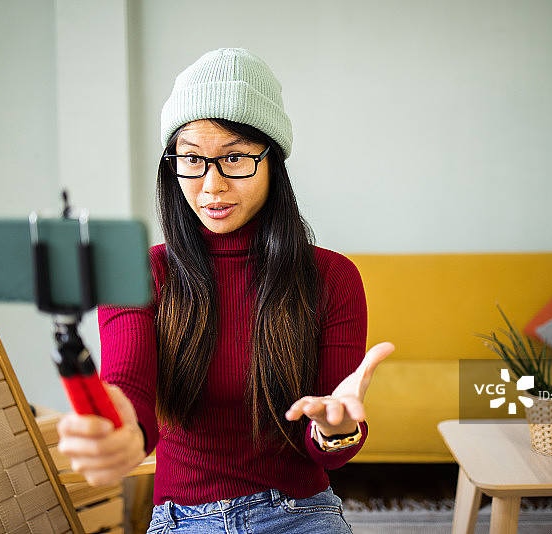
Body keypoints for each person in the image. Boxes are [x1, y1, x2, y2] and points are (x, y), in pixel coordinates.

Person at [57, 47, 394, 533]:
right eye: (192, 159)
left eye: (234, 157)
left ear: (272, 162)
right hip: (181, 519)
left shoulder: (331, 278)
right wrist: (120, 432)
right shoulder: (137, 273)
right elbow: (130, 390)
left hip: (298, 512)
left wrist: (334, 429)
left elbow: (327, 443)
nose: (211, 185)